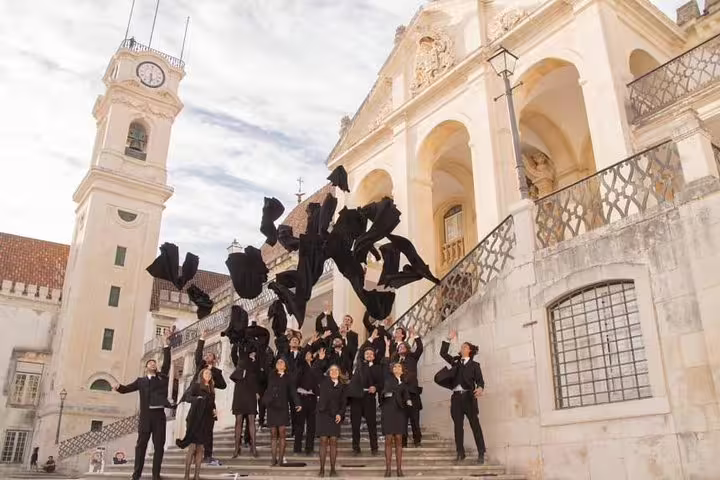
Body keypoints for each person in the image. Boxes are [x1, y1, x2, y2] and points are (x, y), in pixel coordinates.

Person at [114, 332, 171, 480]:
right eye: (150, 363)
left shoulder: (162, 378)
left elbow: (167, 364)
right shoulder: (141, 381)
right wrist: (118, 386)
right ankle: (136, 475)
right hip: (146, 418)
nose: (152, 363)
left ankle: (156, 475)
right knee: (141, 446)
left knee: (159, 447)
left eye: (154, 363)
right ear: (146, 367)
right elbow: (126, 389)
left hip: (159, 416)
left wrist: (166, 344)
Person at [440, 330, 486, 464]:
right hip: (456, 398)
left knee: (474, 425)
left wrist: (480, 388)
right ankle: (460, 453)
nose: (462, 348)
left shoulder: (475, 365)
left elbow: (480, 381)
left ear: (470, 350)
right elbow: (443, 353)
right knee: (458, 426)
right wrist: (448, 339)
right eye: (461, 346)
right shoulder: (456, 362)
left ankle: (481, 452)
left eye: (465, 346)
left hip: (469, 398)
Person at [192, 330, 227, 466]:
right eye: (206, 355)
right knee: (196, 429)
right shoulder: (200, 366)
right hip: (198, 403)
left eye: (210, 355)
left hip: (210, 405)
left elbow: (223, 385)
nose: (207, 356)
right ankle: (195, 454)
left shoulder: (216, 372)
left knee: (209, 431)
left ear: (214, 359)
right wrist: (202, 338)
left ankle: (208, 455)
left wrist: (214, 371)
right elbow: (197, 355)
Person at [175, 368, 216, 480]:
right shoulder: (196, 386)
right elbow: (187, 397)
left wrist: (214, 411)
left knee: (200, 448)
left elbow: (212, 404)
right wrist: (196, 399)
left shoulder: (212, 389)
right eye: (206, 373)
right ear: (201, 375)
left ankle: (196, 476)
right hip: (194, 419)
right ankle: (186, 476)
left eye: (210, 373)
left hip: (206, 421)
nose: (208, 374)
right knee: (192, 447)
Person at [380, 340, 411, 477]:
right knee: (388, 439)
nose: (397, 368)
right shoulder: (388, 378)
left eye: (399, 367)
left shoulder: (404, 383)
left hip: (399, 412)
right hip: (388, 411)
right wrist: (387, 347)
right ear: (392, 369)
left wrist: (408, 400)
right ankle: (387, 469)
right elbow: (386, 361)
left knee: (399, 439)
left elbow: (407, 395)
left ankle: (399, 469)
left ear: (402, 370)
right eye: (395, 367)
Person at [263, 357, 301, 466]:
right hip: (272, 407)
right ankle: (273, 459)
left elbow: (293, 391)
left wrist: (297, 403)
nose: (279, 363)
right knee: (273, 434)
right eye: (278, 362)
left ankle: (280, 459)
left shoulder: (289, 377)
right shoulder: (271, 375)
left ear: (285, 365)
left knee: (282, 433)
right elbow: (269, 388)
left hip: (282, 407)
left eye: (282, 362)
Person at [348, 340, 383, 455]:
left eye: (371, 354)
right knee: (355, 425)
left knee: (372, 424)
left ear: (373, 357)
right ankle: (355, 448)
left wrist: (376, 388)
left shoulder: (378, 368)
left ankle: (374, 448)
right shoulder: (359, 365)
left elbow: (381, 383)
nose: (368, 355)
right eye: (366, 353)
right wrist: (370, 339)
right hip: (356, 398)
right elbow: (360, 353)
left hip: (369, 398)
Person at [315, 359, 347, 477]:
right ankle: (322, 469)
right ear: (328, 373)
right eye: (331, 370)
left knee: (333, 441)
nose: (334, 371)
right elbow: (315, 370)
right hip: (323, 414)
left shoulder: (342, 386)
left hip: (335, 416)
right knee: (323, 441)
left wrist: (340, 414)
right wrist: (320, 359)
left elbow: (343, 403)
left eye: (336, 370)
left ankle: (333, 469)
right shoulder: (324, 381)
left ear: (339, 373)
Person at [392, 327, 424, 448]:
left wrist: (415, 336)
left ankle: (417, 440)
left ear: (407, 349)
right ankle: (403, 442)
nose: (401, 348)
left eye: (403, 347)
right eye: (399, 347)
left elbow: (420, 349)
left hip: (412, 393)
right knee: (402, 419)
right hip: (400, 395)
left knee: (414, 418)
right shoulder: (395, 362)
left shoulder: (412, 357)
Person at [230, 341, 261, 458]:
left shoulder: (256, 363)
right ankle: (236, 447)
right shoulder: (241, 361)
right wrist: (235, 344)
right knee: (238, 421)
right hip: (240, 392)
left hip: (251, 392)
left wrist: (257, 391)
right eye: (251, 352)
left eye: (254, 352)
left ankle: (253, 447)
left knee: (252, 420)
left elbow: (258, 378)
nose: (253, 354)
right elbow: (234, 355)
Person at [294, 348, 320, 455]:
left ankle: (309, 448)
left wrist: (317, 393)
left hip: (312, 399)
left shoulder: (315, 368)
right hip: (302, 398)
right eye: (307, 354)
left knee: (311, 425)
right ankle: (297, 448)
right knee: (300, 425)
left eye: (310, 353)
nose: (309, 355)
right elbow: (295, 383)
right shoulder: (300, 367)